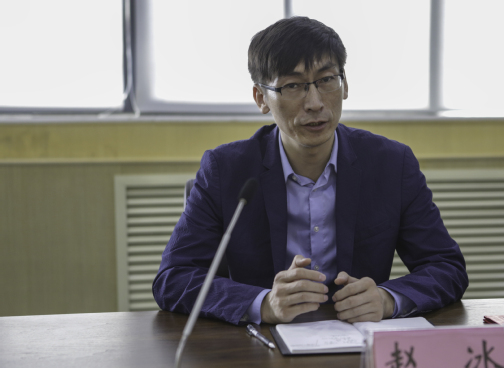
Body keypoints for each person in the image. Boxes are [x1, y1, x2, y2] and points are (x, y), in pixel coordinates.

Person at [153, 16, 468, 326]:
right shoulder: (226, 170)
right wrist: (263, 304)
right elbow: (174, 278)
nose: (315, 103)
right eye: (293, 86)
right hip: (262, 346)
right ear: (261, 98)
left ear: (345, 85)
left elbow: (446, 267)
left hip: (358, 342)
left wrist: (387, 299)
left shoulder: (391, 164)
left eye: (327, 80)